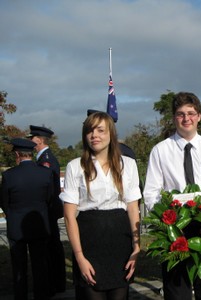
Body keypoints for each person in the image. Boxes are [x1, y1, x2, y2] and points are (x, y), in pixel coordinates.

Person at [143, 92, 201, 300]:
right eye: (180, 114)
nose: (186, 119)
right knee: (176, 291)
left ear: (199, 116)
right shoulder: (160, 151)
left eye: (191, 113)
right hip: (175, 231)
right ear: (174, 117)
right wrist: (167, 220)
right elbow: (151, 192)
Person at [60, 111, 141, 300]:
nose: (94, 135)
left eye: (100, 130)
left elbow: (132, 208)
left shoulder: (128, 165)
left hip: (120, 242)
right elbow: (69, 215)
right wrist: (79, 256)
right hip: (89, 241)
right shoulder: (75, 166)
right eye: (89, 130)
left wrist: (136, 248)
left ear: (111, 133)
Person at [0, 138, 57, 300]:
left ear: (17, 154)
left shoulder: (9, 175)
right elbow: (49, 199)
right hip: (40, 225)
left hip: (17, 227)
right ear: (31, 154)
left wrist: (12, 215)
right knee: (40, 266)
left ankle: (21, 295)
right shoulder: (45, 173)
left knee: (19, 268)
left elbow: (4, 201)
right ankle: (42, 295)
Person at [27, 125, 66, 294]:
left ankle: (55, 283)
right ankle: (55, 282)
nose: (30, 141)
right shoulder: (43, 158)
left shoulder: (46, 159)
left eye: (32, 138)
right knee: (51, 247)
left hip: (48, 209)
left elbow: (47, 187)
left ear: (39, 140)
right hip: (47, 208)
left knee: (52, 248)